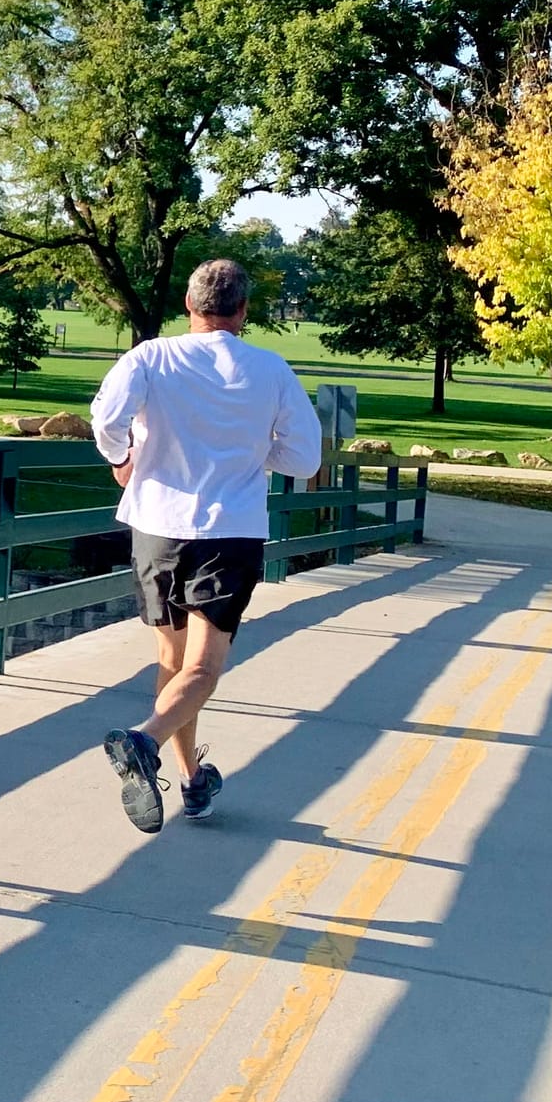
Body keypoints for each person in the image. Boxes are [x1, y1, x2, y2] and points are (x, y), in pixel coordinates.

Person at [89, 258, 324, 833]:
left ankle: (194, 780)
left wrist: (123, 459)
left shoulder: (150, 356)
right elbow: (304, 458)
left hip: (155, 525)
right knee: (203, 668)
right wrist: (249, 451)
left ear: (189, 308)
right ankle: (143, 742)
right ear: (243, 312)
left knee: (172, 663)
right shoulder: (270, 370)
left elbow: (105, 417)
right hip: (229, 530)